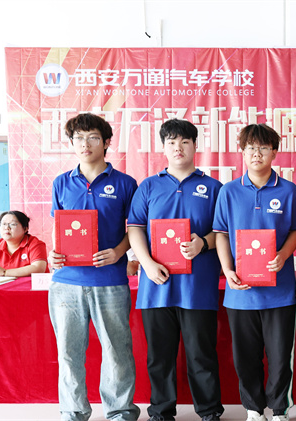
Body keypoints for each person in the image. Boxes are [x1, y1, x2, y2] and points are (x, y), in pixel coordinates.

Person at [127, 118, 223, 421]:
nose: (178, 147)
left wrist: (203, 244)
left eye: (184, 141)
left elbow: (224, 232)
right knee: (159, 356)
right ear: (163, 147)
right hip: (156, 286)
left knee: (201, 354)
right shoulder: (148, 186)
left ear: (195, 146)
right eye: (171, 142)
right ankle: (161, 411)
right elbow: (135, 228)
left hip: (198, 287)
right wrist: (147, 263)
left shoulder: (213, 187)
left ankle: (209, 411)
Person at [48, 113, 140, 421]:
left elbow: (136, 229)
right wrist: (54, 254)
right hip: (66, 282)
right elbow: (58, 228)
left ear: (107, 142)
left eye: (92, 138)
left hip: (110, 280)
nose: (84, 144)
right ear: (71, 142)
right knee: (68, 352)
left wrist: (118, 252)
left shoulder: (125, 183)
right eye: (78, 138)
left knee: (116, 350)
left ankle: (120, 411)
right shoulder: (61, 182)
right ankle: (73, 411)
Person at [213, 124, 296, 421]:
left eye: (263, 147)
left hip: (280, 292)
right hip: (240, 293)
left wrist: (283, 255)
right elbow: (221, 234)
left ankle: (279, 410)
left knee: (280, 357)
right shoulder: (229, 191)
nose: (256, 153)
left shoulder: (288, 191)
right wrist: (228, 269)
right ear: (242, 151)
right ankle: (253, 409)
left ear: (274, 152)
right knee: (245, 357)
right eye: (251, 147)